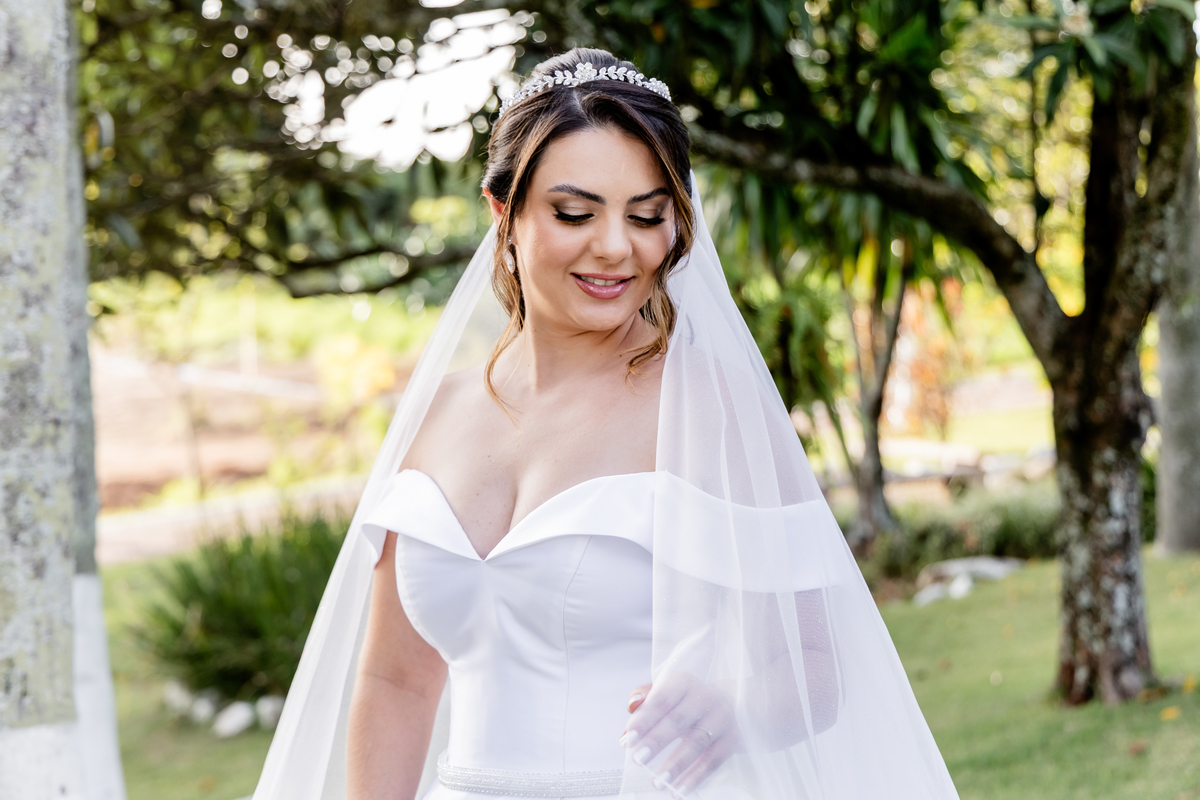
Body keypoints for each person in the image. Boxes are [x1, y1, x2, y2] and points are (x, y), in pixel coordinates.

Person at [252, 48, 961, 800]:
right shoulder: (439, 410)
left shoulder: (706, 406)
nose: (617, 247)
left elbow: (814, 665)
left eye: (647, 216)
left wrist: (734, 708)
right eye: (575, 213)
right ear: (504, 213)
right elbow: (396, 680)